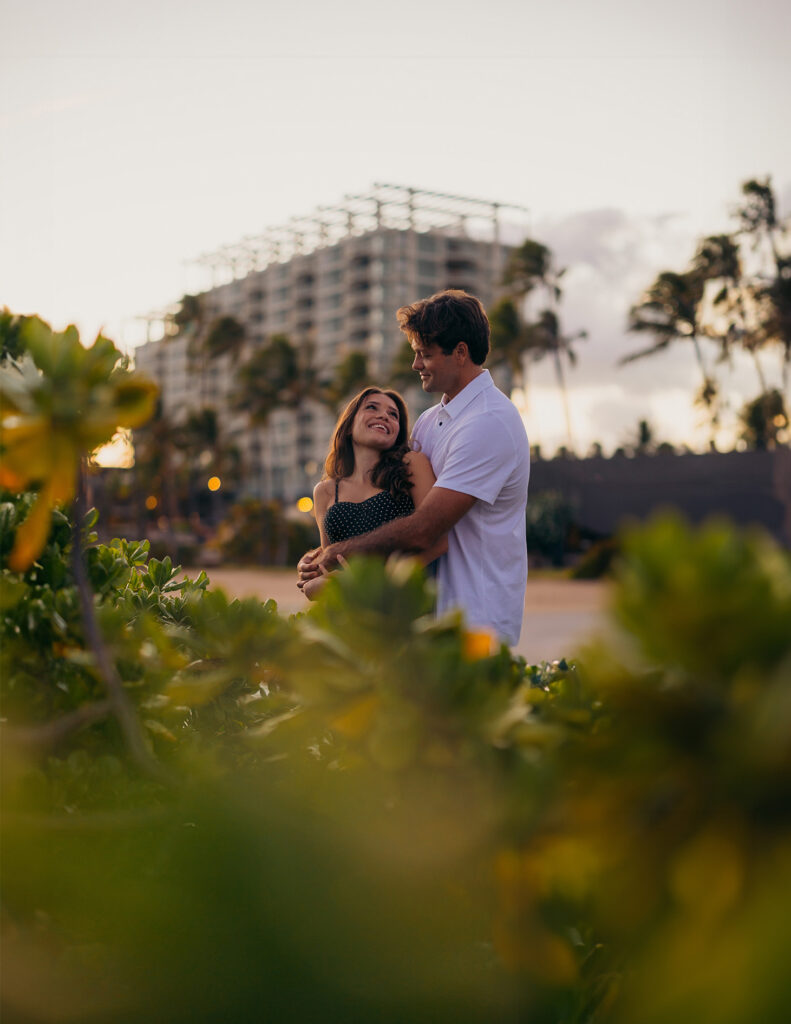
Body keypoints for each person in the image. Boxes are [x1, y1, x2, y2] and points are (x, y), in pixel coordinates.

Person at [299, 290, 530, 645]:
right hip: (420, 618)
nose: (416, 364)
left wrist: (341, 555)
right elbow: (389, 505)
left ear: (460, 352)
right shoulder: (430, 421)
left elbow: (425, 529)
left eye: (424, 354)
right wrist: (319, 559)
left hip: (475, 619)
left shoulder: (489, 421)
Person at [300, 386, 446, 600]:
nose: (383, 416)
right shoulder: (325, 491)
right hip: (351, 610)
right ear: (349, 425)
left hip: (402, 601)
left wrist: (385, 581)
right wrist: (310, 566)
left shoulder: (412, 464)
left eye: (393, 415)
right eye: (372, 407)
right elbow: (329, 560)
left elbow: (440, 540)